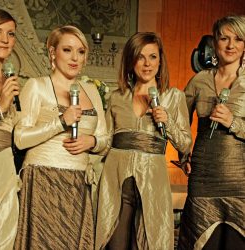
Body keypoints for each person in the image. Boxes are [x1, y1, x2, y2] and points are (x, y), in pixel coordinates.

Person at [13, 25, 108, 249]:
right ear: (52, 52)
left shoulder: (91, 91)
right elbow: (19, 138)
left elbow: (105, 138)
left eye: (81, 51)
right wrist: (60, 122)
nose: (75, 58)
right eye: (67, 50)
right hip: (43, 180)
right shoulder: (37, 86)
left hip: (78, 184)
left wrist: (92, 142)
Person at [95, 32, 192, 250]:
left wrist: (168, 123)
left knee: (149, 243)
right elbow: (106, 141)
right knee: (114, 244)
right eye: (140, 57)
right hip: (115, 184)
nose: (147, 64)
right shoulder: (116, 97)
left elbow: (185, 144)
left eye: (153, 57)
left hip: (153, 185)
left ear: (160, 60)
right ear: (131, 61)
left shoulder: (174, 97)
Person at [177, 15, 245, 250]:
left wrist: (233, 121)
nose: (230, 45)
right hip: (203, 179)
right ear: (214, 43)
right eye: (224, 38)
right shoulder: (198, 81)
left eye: (238, 39)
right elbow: (180, 124)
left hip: (240, 183)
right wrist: (184, 154)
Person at [0, 9, 20, 250]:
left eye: (10, 34)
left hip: (5, 162)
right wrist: (0, 106)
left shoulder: (8, 77)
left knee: (6, 232)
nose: (5, 39)